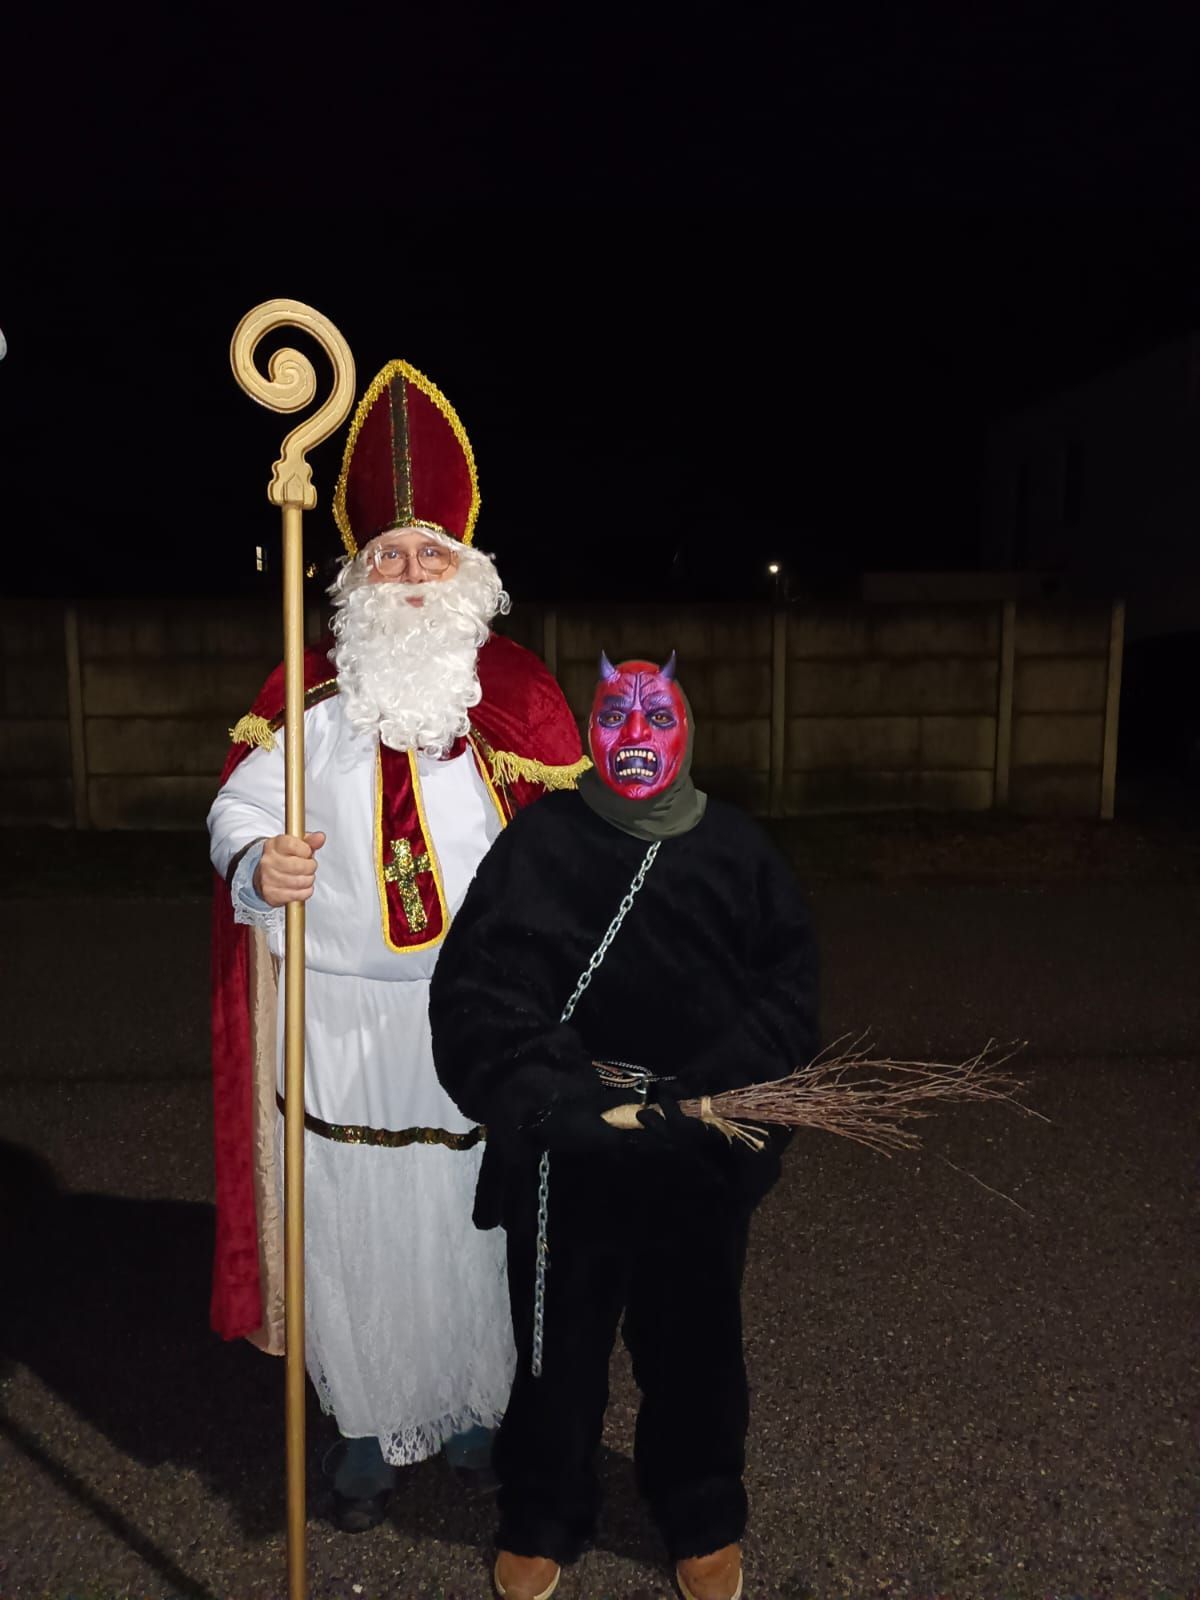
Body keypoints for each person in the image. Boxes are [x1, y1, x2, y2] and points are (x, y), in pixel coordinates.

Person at [207, 359, 587, 1531]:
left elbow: (574, 853)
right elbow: (233, 807)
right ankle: (366, 1417)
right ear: (354, 576)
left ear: (471, 576)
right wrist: (254, 861)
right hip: (337, 1017)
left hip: (473, 1015)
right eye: (389, 556)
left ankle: (473, 1404)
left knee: (466, 1210)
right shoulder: (306, 697)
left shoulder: (517, 702)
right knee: (354, 1207)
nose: (411, 575)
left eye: (432, 556)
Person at [429, 652, 820, 1600]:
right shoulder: (539, 847)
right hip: (572, 1152)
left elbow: (787, 1002)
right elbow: (480, 990)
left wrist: (705, 1099)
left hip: (693, 1150)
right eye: (613, 714)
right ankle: (544, 1509)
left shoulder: (739, 855)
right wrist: (564, 1096)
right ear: (589, 731)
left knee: (695, 1349)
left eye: (656, 714)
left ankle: (699, 1509)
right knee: (555, 1352)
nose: (635, 736)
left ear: (689, 729)